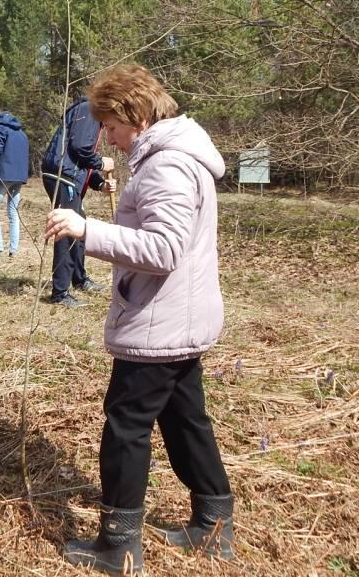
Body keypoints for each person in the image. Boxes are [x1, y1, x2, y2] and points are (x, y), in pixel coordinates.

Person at [44, 64, 234, 575]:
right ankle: (214, 525)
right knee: (184, 417)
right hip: (178, 316)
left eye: (109, 124)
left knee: (126, 426)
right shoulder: (170, 155)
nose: (105, 135)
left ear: (133, 114)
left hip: (160, 321)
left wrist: (88, 230)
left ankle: (117, 544)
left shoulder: (167, 165)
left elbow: (165, 248)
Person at [41, 95, 114, 307]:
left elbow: (82, 159)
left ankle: (79, 279)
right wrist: (101, 162)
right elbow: (80, 148)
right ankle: (60, 293)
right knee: (67, 231)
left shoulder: (92, 115)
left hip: (68, 175)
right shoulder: (90, 110)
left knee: (80, 227)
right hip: (62, 176)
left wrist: (100, 183)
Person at [0, 107, 29, 257]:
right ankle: (14, 250)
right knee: (13, 212)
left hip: (4, 175)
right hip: (19, 176)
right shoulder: (21, 132)